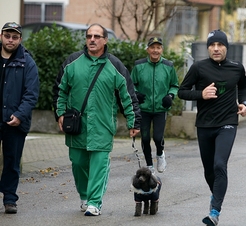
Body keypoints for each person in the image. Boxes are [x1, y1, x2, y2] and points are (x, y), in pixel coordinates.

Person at [53, 23, 141, 216]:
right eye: (89, 36)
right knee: (78, 163)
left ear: (105, 40)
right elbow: (61, 90)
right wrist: (60, 113)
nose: (92, 40)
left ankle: (94, 202)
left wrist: (133, 121)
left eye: (97, 36)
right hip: (77, 126)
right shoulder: (72, 62)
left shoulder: (115, 65)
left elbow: (127, 95)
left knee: (99, 165)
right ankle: (84, 196)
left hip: (102, 127)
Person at [178, 29, 246, 226]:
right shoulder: (199, 68)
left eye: (220, 45)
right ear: (208, 48)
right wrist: (201, 94)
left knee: (219, 165)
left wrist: (243, 103)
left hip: (227, 123)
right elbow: (182, 92)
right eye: (212, 45)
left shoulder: (236, 68)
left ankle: (215, 211)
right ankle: (215, 195)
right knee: (209, 171)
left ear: (226, 47)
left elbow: (244, 85)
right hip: (205, 125)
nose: (216, 49)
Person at [0, 22, 40, 214]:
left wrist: (20, 115)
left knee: (12, 162)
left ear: (20, 39)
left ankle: (9, 199)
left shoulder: (27, 62)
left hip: (15, 121)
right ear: (1, 36)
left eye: (15, 37)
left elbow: (31, 93)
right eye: (8, 36)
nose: (10, 40)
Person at [130, 37, 179, 174]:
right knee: (145, 138)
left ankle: (160, 154)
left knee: (158, 137)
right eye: (152, 47)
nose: (155, 50)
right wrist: (136, 94)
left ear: (162, 50)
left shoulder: (168, 66)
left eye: (158, 48)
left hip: (160, 109)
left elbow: (174, 85)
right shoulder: (139, 66)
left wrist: (170, 96)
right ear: (148, 50)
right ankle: (150, 166)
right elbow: (131, 84)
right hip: (143, 108)